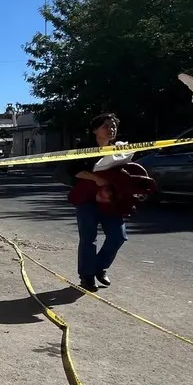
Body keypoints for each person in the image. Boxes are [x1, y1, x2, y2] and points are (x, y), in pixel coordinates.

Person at [65, 113, 128, 290]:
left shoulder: (120, 149)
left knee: (118, 236)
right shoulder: (84, 148)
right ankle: (87, 277)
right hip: (87, 200)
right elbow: (72, 170)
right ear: (95, 130)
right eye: (106, 126)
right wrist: (94, 178)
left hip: (110, 200)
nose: (111, 129)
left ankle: (99, 267)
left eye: (114, 125)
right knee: (88, 239)